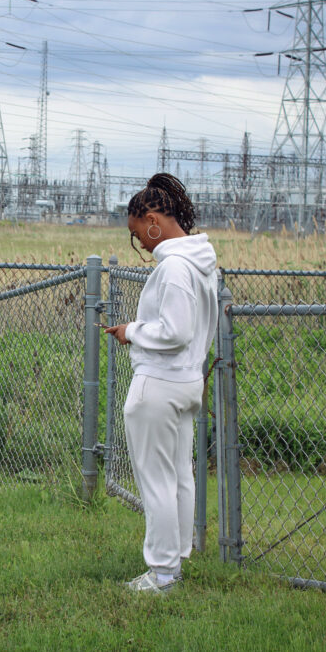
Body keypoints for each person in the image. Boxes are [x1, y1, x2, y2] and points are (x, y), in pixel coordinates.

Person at [104, 172, 218, 594]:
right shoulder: (201, 263)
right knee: (178, 476)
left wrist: (131, 331)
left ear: (153, 219)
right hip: (188, 383)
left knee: (156, 480)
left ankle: (163, 572)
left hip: (159, 384)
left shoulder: (173, 268)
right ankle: (176, 560)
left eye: (139, 234)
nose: (141, 245)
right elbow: (192, 332)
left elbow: (175, 331)